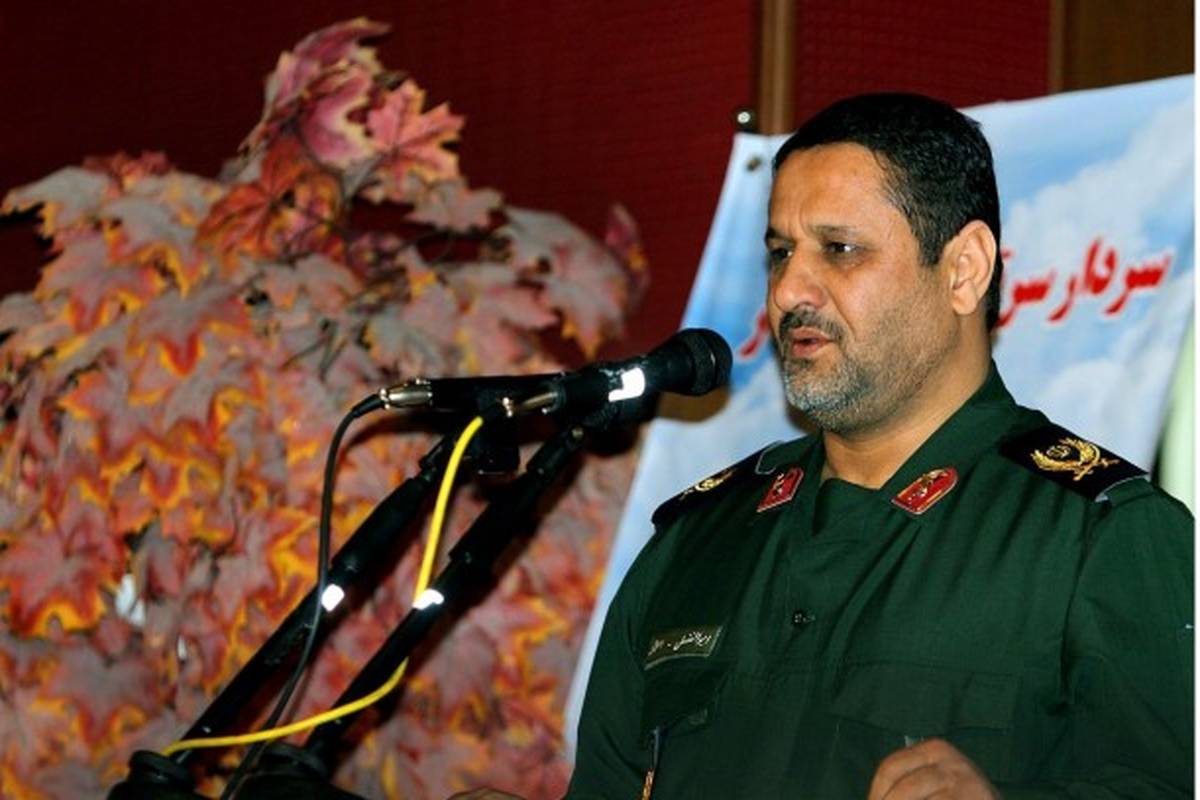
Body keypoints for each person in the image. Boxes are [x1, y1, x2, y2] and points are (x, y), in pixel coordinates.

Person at [561, 93, 1194, 798]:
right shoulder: (695, 542)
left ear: (963, 270)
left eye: (840, 250)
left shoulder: (1102, 538)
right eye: (780, 253)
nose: (789, 290)